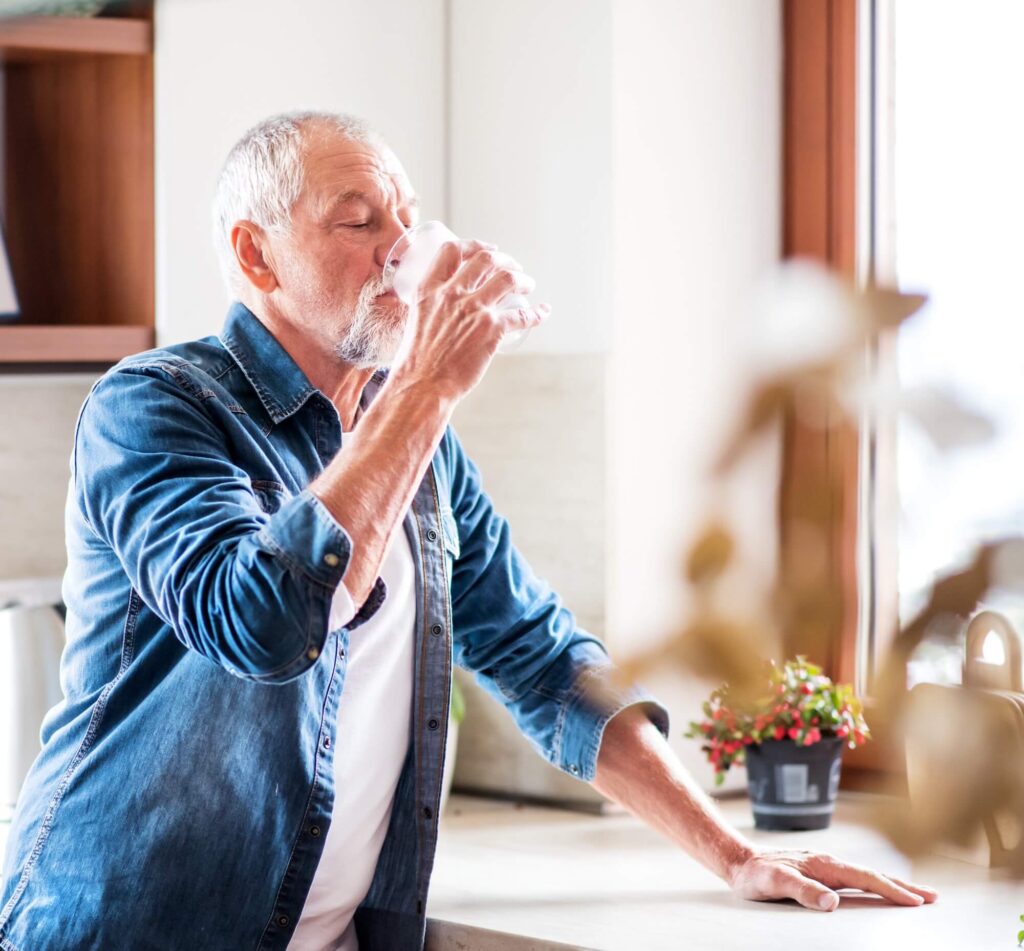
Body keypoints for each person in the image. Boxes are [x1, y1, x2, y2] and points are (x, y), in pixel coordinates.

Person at [0, 111, 937, 951]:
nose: (400, 249)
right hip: (120, 925)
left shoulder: (417, 446)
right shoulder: (155, 405)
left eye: (405, 219)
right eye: (359, 221)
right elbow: (265, 623)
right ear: (257, 257)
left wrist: (734, 854)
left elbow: (541, 658)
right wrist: (428, 386)